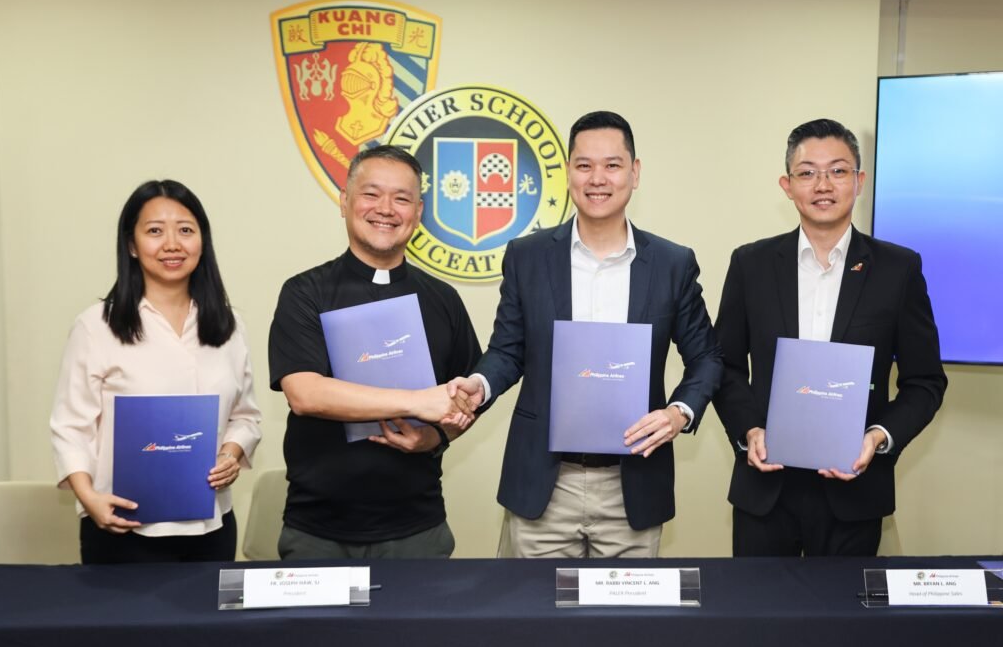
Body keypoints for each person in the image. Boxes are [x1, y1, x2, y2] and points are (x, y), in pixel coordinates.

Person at [448, 111, 723, 558]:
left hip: (633, 483)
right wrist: (480, 384)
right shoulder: (527, 256)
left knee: (626, 608)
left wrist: (678, 413)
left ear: (634, 173)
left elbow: (707, 358)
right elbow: (508, 351)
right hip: (543, 482)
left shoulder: (672, 264)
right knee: (530, 604)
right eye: (584, 165)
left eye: (612, 165)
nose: (598, 178)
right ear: (568, 172)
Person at [712, 118, 948, 557]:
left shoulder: (898, 270)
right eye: (807, 173)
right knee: (758, 604)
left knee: (847, 606)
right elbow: (724, 366)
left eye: (838, 171)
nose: (823, 185)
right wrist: (750, 429)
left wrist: (877, 437)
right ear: (787, 186)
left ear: (859, 181)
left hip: (855, 492)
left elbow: (925, 381)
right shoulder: (751, 264)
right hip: (765, 491)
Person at [268, 145, 482, 560]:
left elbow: (467, 398)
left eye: (401, 198)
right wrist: (416, 401)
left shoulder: (442, 299)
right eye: (371, 194)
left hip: (417, 529)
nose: (385, 209)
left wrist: (436, 436)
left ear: (418, 212)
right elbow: (304, 394)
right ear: (344, 201)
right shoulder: (304, 292)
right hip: (318, 530)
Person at [50, 180, 262, 564]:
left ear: (202, 241)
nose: (172, 244)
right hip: (121, 525)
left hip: (211, 525)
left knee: (208, 608)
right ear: (131, 245)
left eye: (185, 230)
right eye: (154, 231)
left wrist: (230, 455)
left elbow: (245, 417)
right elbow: (70, 427)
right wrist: (88, 497)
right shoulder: (96, 326)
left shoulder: (229, 325)